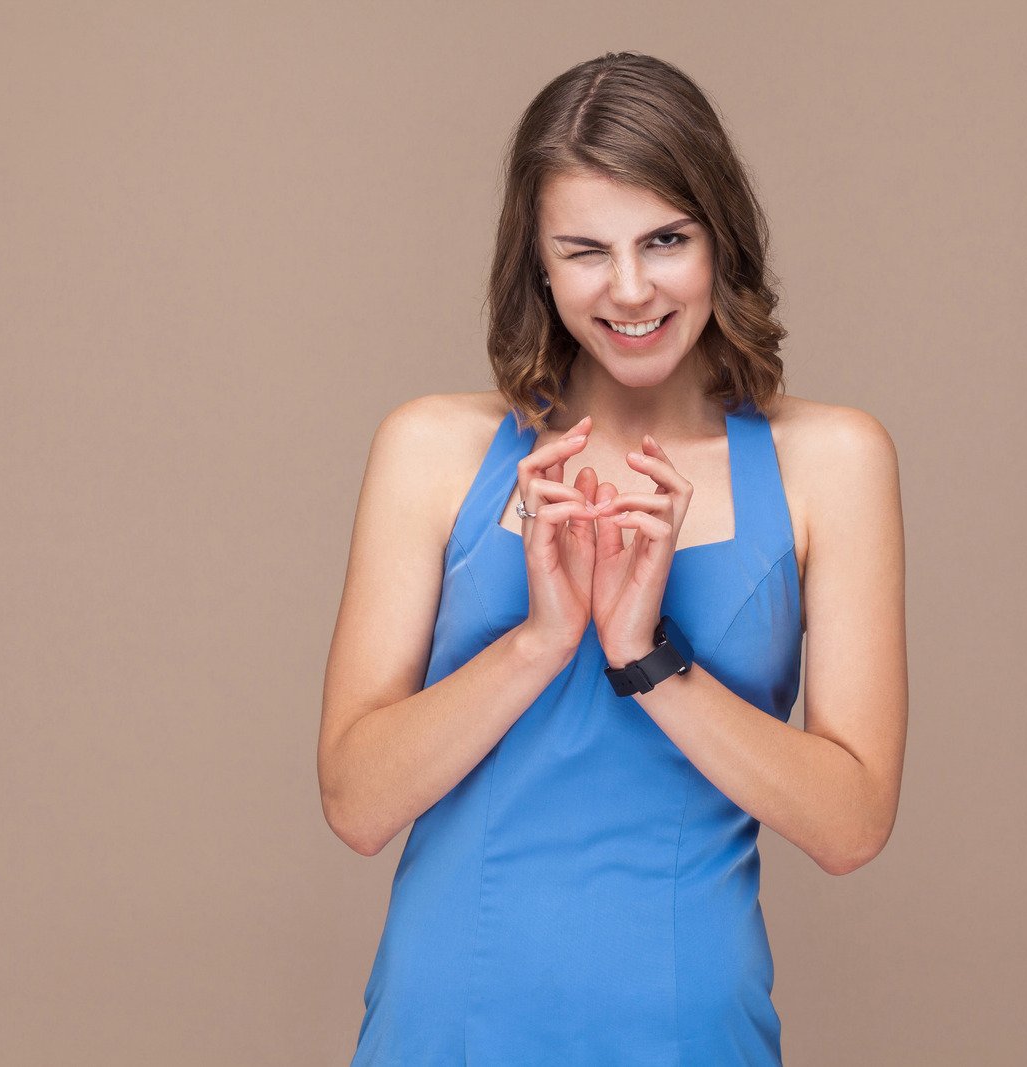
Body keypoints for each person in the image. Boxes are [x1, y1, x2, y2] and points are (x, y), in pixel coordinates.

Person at [319, 50, 908, 1066]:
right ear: (537, 265)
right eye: (585, 249)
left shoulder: (832, 463)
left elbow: (850, 824)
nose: (630, 289)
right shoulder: (432, 449)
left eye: (665, 239)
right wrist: (543, 641)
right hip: (447, 1015)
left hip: (688, 1023)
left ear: (720, 239)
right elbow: (356, 803)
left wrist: (645, 655)